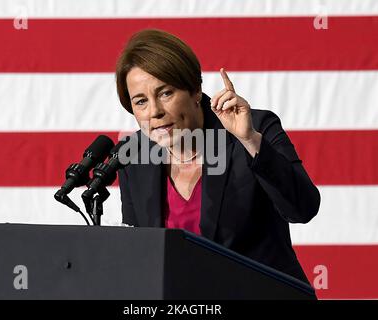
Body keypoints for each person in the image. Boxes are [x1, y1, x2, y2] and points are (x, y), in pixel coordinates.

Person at [115, 29, 320, 285]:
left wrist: (250, 140)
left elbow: (303, 209)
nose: (154, 111)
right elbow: (142, 251)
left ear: (195, 91)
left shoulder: (255, 127)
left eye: (165, 93)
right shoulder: (133, 155)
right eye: (141, 101)